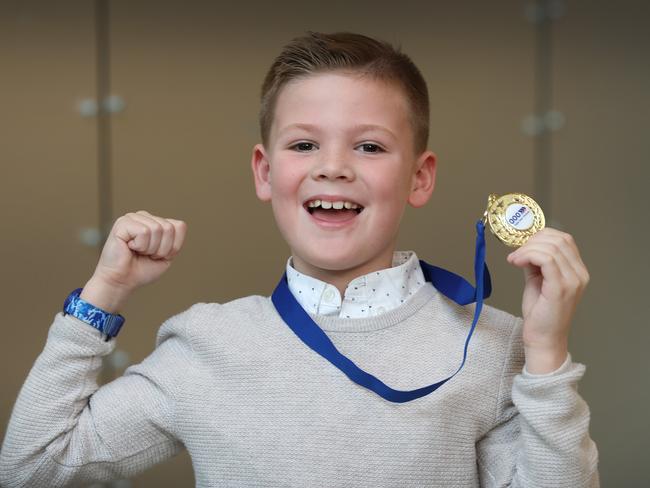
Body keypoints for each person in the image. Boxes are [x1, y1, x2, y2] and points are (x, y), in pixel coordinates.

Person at [0, 31, 599, 487]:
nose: (332, 166)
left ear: (419, 178)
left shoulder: (492, 345)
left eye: (368, 146)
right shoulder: (206, 344)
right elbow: (32, 466)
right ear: (266, 171)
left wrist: (545, 357)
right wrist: (101, 294)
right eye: (304, 144)